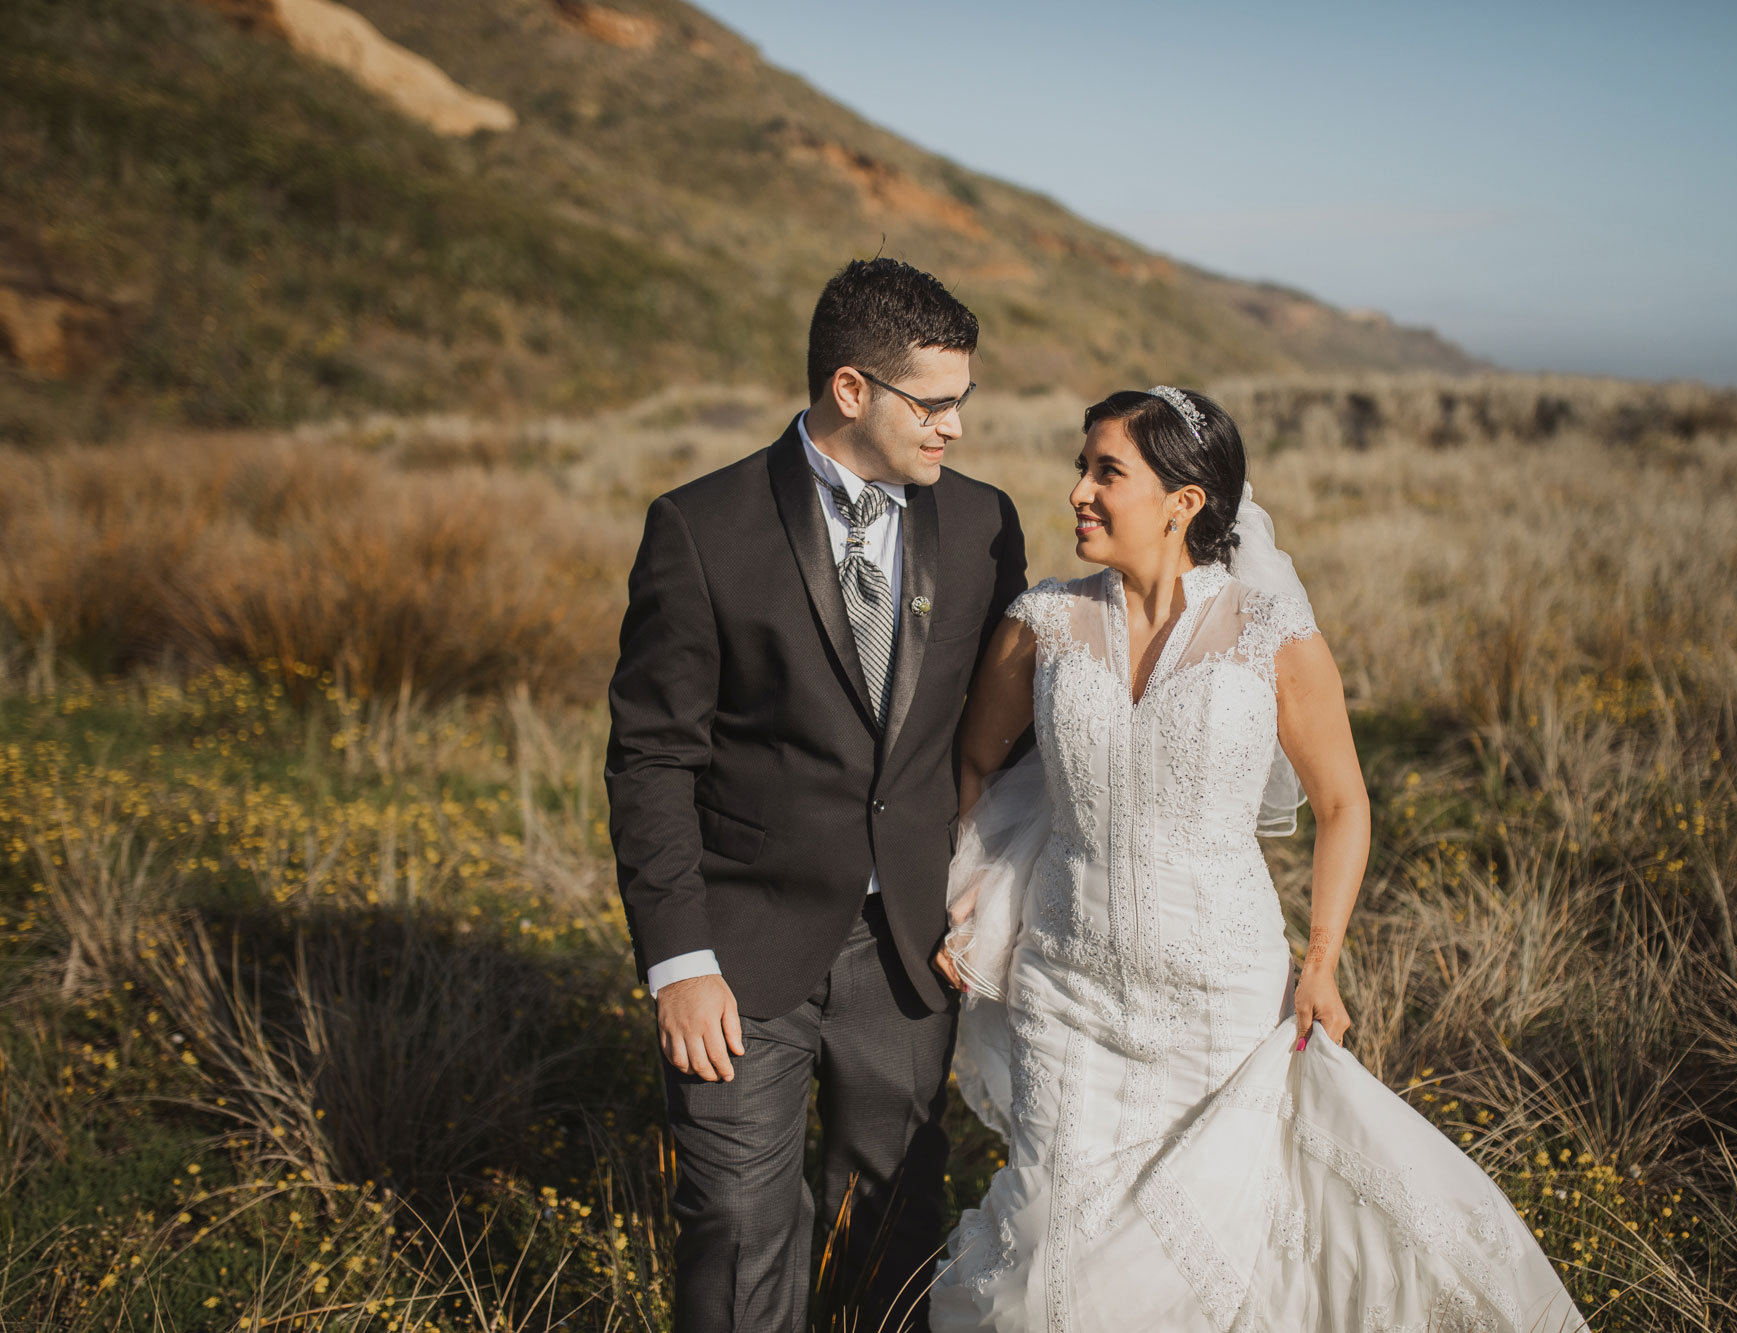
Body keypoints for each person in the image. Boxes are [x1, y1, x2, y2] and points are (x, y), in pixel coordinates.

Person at [928, 387, 1591, 1331]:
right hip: (1067, 990)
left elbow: (1343, 804)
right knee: (1049, 1256)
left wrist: (1320, 962)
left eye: (1106, 471)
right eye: (1083, 465)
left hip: (1220, 1001)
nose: (1077, 489)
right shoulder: (1040, 624)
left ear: (1183, 501)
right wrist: (967, 892)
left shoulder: (1271, 633)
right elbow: (975, 764)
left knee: (1217, 1252)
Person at [604, 257, 1028, 1332]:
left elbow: (1008, 738)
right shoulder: (701, 528)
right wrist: (678, 960)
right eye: (933, 405)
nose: (953, 429)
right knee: (737, 1223)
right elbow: (651, 757)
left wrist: (992, 882)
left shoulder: (983, 527)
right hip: (737, 956)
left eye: (960, 403)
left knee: (887, 1226)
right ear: (851, 389)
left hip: (910, 953)